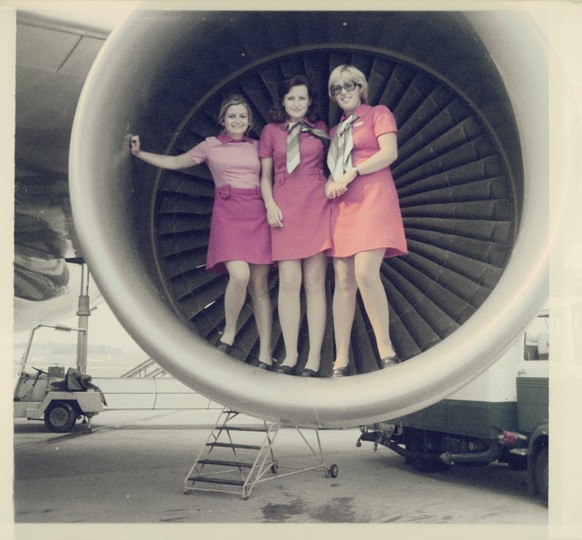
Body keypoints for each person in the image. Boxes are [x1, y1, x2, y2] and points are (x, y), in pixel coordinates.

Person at [130, 95, 273, 369]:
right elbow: (176, 162)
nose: (238, 121)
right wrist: (140, 154)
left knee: (259, 287)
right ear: (223, 119)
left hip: (257, 214)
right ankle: (229, 332)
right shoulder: (210, 146)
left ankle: (266, 351)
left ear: (249, 120)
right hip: (229, 214)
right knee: (240, 274)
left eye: (242, 116)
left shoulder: (258, 146)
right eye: (232, 116)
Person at [325, 65, 408, 377]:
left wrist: (354, 171)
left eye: (349, 85)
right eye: (336, 88)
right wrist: (331, 183)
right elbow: (334, 169)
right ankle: (341, 359)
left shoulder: (378, 114)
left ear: (360, 87)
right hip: (344, 204)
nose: (343, 92)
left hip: (373, 196)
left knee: (365, 272)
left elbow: (389, 153)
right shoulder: (335, 132)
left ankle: (385, 348)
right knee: (343, 280)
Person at [259, 75, 331, 377]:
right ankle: (290, 355)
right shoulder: (271, 132)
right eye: (291, 99)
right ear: (283, 102)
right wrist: (270, 205)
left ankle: (313, 359)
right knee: (289, 284)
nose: (297, 104)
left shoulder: (322, 130)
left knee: (315, 285)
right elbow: (264, 177)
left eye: (302, 98)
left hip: (316, 205)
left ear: (309, 100)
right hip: (284, 207)